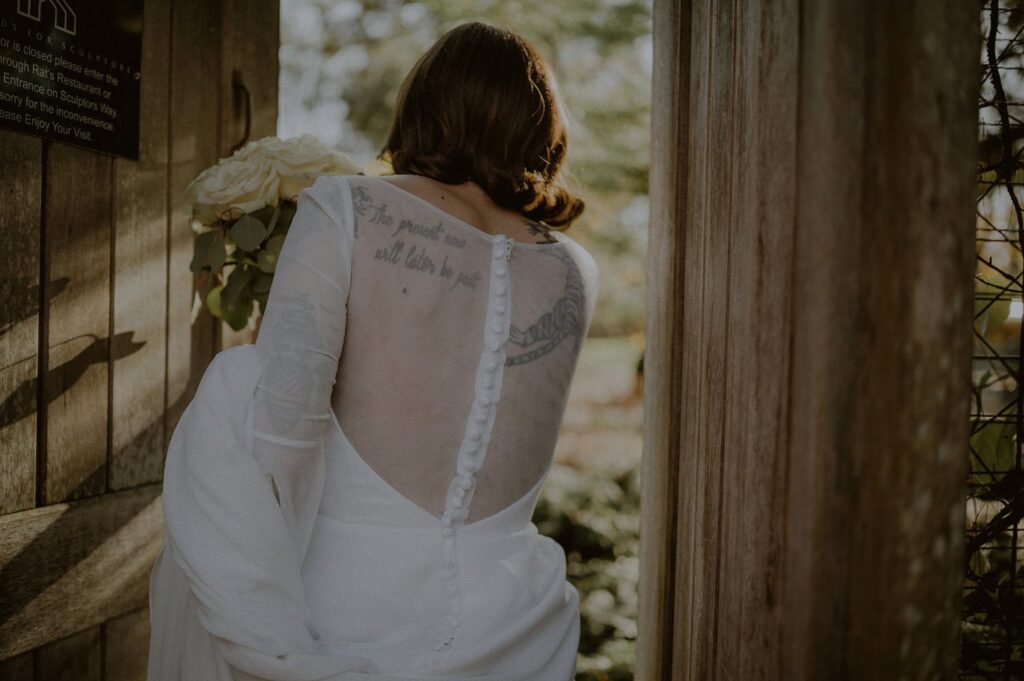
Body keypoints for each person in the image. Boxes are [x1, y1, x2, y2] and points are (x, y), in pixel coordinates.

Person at [147, 20, 599, 681]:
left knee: (234, 381)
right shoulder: (576, 270)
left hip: (344, 616)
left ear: (424, 107)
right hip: (515, 624)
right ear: (538, 125)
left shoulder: (346, 208)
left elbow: (280, 435)